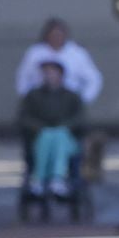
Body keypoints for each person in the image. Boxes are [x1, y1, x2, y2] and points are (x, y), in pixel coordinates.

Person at [20, 58, 84, 204]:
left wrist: (63, 127)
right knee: (47, 136)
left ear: (61, 75)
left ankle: (55, 178)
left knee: (59, 135)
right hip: (40, 138)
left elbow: (80, 118)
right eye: (46, 72)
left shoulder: (72, 96)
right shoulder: (33, 96)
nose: (49, 76)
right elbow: (24, 117)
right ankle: (41, 179)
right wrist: (40, 128)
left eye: (52, 72)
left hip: (67, 139)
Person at [13, 17, 103, 106]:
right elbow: (23, 77)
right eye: (53, 35)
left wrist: (82, 101)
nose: (56, 37)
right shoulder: (34, 53)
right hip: (40, 103)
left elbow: (94, 79)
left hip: (69, 103)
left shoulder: (78, 53)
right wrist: (28, 100)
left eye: (59, 34)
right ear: (47, 35)